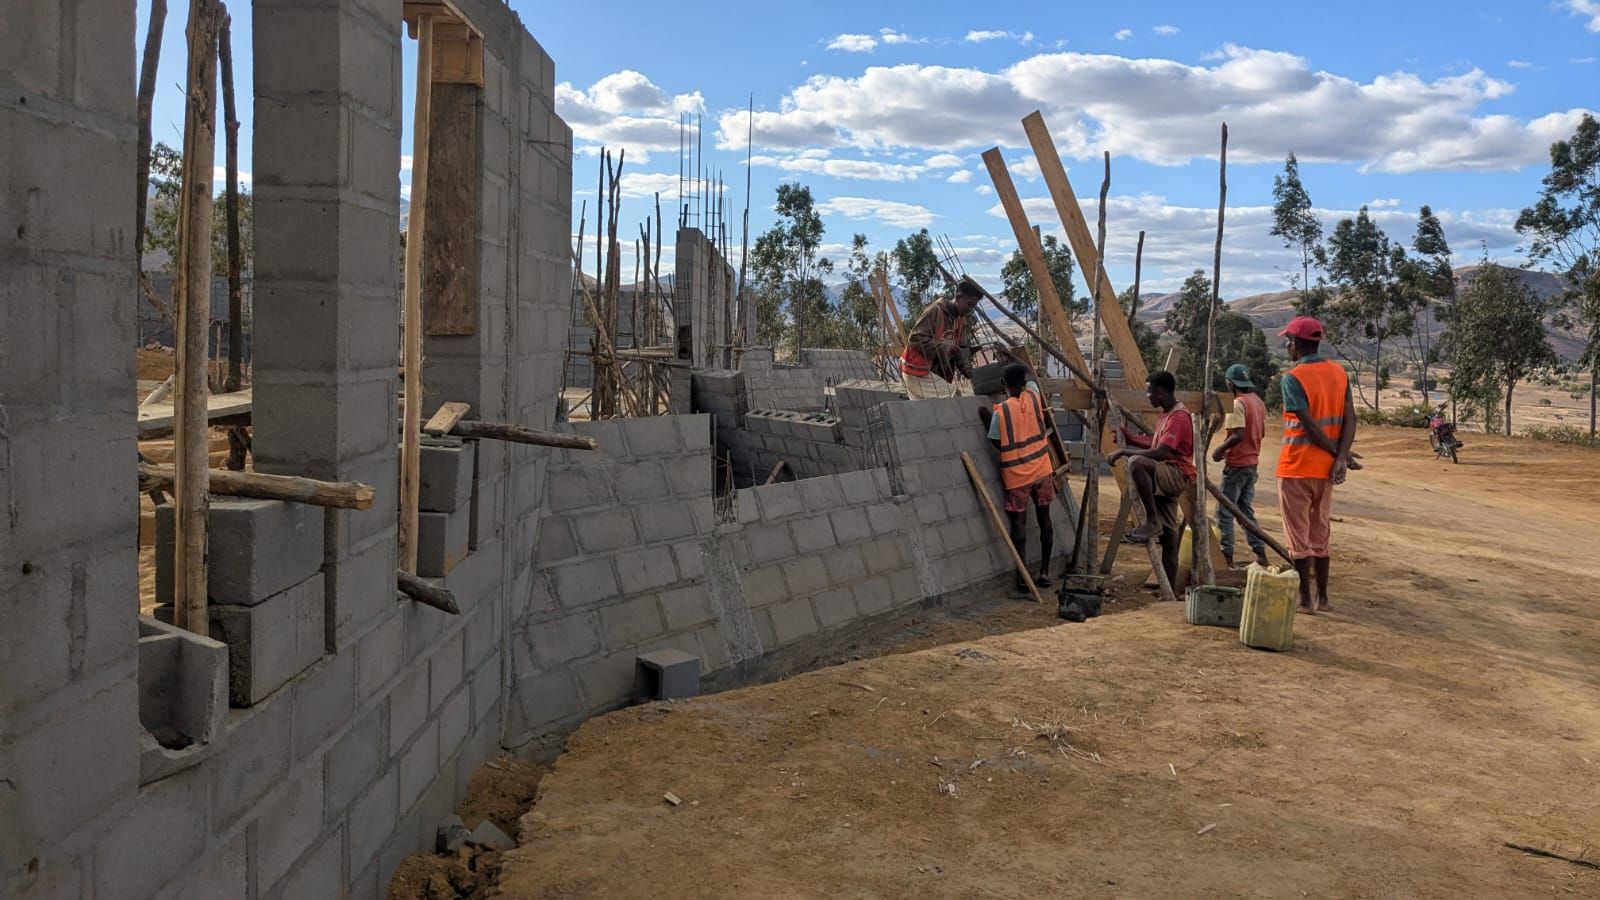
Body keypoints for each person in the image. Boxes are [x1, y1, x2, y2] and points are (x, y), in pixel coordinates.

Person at [1275, 316, 1357, 614]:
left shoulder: (1292, 378)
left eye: (1288, 342)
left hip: (1296, 467)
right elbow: (1350, 418)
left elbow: (1309, 427)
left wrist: (1340, 455)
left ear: (1296, 344)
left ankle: (1305, 601)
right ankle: (1323, 599)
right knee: (1320, 533)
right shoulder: (1338, 373)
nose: (1287, 347)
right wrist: (1341, 457)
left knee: (1298, 536)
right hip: (1326, 470)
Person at [1107, 370, 1194, 591]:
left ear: (1161, 392)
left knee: (1136, 462)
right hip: (1167, 472)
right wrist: (1131, 438)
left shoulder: (1178, 417)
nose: (1148, 397)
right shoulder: (1166, 414)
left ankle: (1152, 520)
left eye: (1150, 392)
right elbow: (1156, 444)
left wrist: (1124, 451)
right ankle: (1170, 592)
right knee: (1169, 539)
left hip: (1175, 473)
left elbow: (1160, 453)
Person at [976, 362, 1056, 593]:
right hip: (1042, 470)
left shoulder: (1001, 412)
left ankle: (1023, 576)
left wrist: (986, 419)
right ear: (1024, 383)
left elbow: (996, 442)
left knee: (1019, 524)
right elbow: (1031, 380)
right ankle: (1045, 571)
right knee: (1045, 520)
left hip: (1017, 476)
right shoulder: (1033, 397)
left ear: (1003, 384)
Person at [1211, 363, 1269, 569]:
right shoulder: (1258, 402)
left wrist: (1219, 450)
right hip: (1252, 463)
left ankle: (1226, 557)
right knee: (1245, 512)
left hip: (1236, 464)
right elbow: (1261, 433)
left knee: (1225, 511)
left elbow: (1238, 434)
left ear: (1230, 383)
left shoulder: (1237, 404)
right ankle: (1260, 552)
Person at [900, 278, 979, 399]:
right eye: (969, 304)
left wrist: (968, 371)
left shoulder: (961, 322)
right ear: (958, 298)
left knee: (928, 409)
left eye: (973, 306)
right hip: (917, 370)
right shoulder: (936, 310)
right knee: (953, 396)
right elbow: (915, 338)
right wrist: (945, 347)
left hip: (931, 373)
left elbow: (960, 352)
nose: (970, 309)